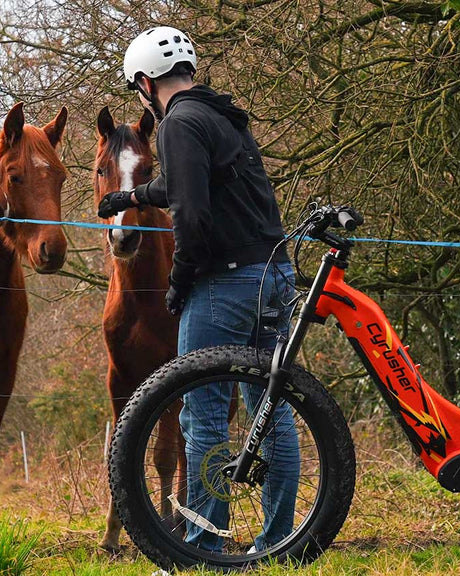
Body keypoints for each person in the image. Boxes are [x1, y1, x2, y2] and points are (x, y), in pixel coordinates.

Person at [98, 26, 300, 553]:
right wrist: (133, 195)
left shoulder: (176, 125)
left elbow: (190, 212)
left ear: (145, 82)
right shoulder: (221, 115)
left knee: (202, 415)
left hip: (225, 284)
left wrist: (181, 279)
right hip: (274, 273)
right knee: (269, 408)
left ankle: (203, 544)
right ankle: (279, 540)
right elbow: (187, 184)